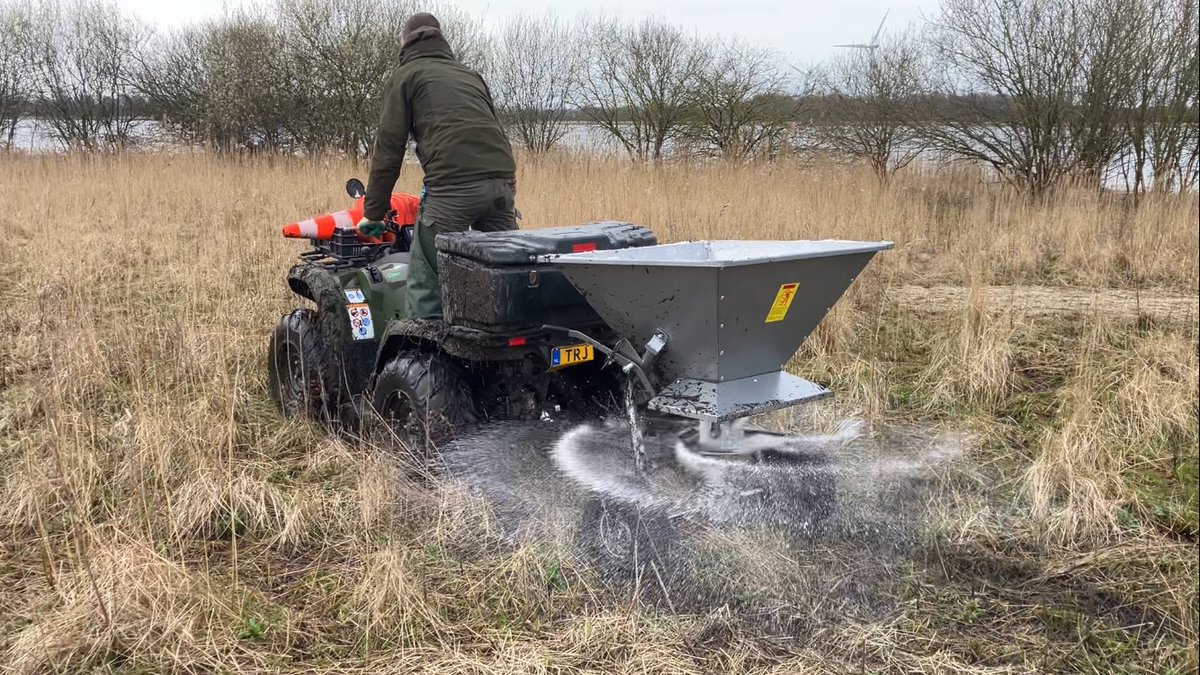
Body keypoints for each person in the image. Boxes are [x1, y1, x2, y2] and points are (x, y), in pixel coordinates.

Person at [358, 12, 517, 320]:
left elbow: (388, 151)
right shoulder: (470, 75)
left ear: (404, 42)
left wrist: (373, 213)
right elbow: (492, 130)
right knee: (504, 273)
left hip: (453, 189)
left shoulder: (406, 76)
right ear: (440, 39)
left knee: (427, 280)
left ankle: (422, 362)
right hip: (502, 185)